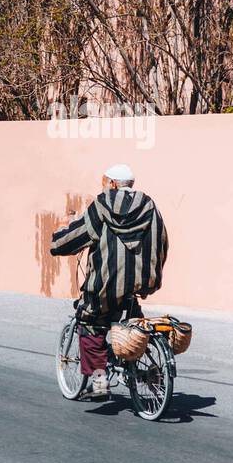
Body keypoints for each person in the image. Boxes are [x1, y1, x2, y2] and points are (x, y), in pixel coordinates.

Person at [50, 163, 169, 396]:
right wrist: (152, 273)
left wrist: (57, 242)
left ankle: (99, 384)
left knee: (90, 323)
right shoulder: (149, 206)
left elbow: (79, 234)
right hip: (143, 280)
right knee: (134, 321)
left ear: (113, 183)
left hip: (106, 284)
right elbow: (163, 241)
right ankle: (149, 371)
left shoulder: (102, 205)